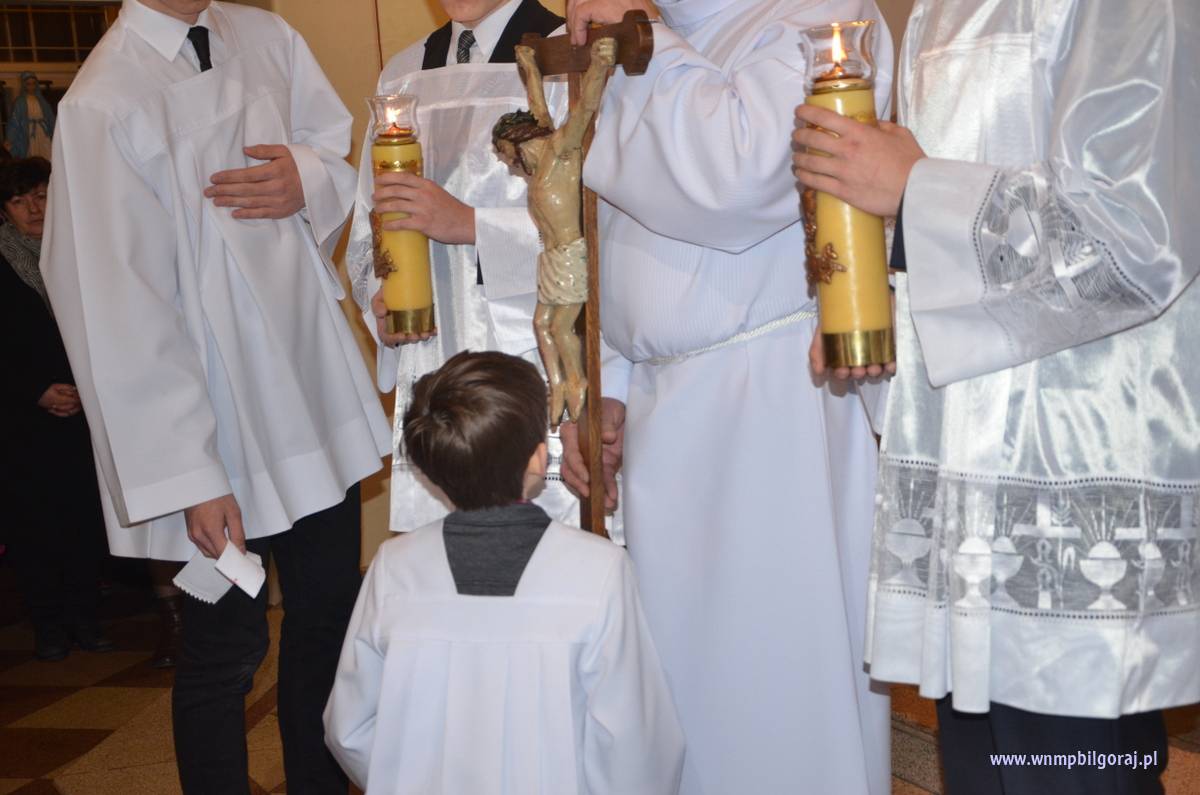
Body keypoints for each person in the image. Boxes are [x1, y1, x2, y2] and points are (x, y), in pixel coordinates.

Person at [792, 1, 1199, 793]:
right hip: (970, 480)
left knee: (1072, 770)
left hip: (1071, 477)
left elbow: (1133, 235)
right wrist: (876, 296)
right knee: (988, 767)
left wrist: (915, 190)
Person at [40, 1, 391, 793]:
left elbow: (333, 146)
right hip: (215, 426)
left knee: (328, 618)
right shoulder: (104, 98)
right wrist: (191, 472)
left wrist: (307, 176)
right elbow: (116, 304)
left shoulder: (266, 35)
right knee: (225, 650)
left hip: (308, 391)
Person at [560, 0, 894, 792]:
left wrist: (644, 41)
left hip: (776, 406)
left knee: (777, 694)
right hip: (663, 410)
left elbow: (735, 179)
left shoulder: (824, 16)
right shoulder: (664, 26)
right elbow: (616, 218)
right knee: (678, 702)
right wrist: (609, 380)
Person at [323, 351, 684, 794]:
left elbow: (349, 727)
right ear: (538, 459)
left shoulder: (394, 568)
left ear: (431, 469)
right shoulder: (598, 571)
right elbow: (636, 744)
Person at [347, 0, 583, 534]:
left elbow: (596, 224)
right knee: (443, 556)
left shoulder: (565, 56)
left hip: (528, 355)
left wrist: (472, 225)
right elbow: (369, 222)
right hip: (431, 361)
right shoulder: (404, 72)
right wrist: (380, 296)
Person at [0, 157, 112, 662]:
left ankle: (86, 619)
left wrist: (89, 385)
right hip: (21, 420)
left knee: (85, 519)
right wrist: (35, 390)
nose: (34, 209)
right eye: (19, 201)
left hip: (86, 409)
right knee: (33, 526)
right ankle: (48, 625)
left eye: (41, 195)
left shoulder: (81, 251)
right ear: (5, 211)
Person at [5, 72, 55, 160]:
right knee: (31, 154)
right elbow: (14, 121)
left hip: (43, 133)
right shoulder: (20, 102)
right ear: (24, 85)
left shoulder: (42, 101)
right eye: (28, 84)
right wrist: (10, 138)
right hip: (28, 132)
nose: (31, 86)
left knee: (46, 153)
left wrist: (55, 131)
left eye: (33, 84)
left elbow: (50, 118)